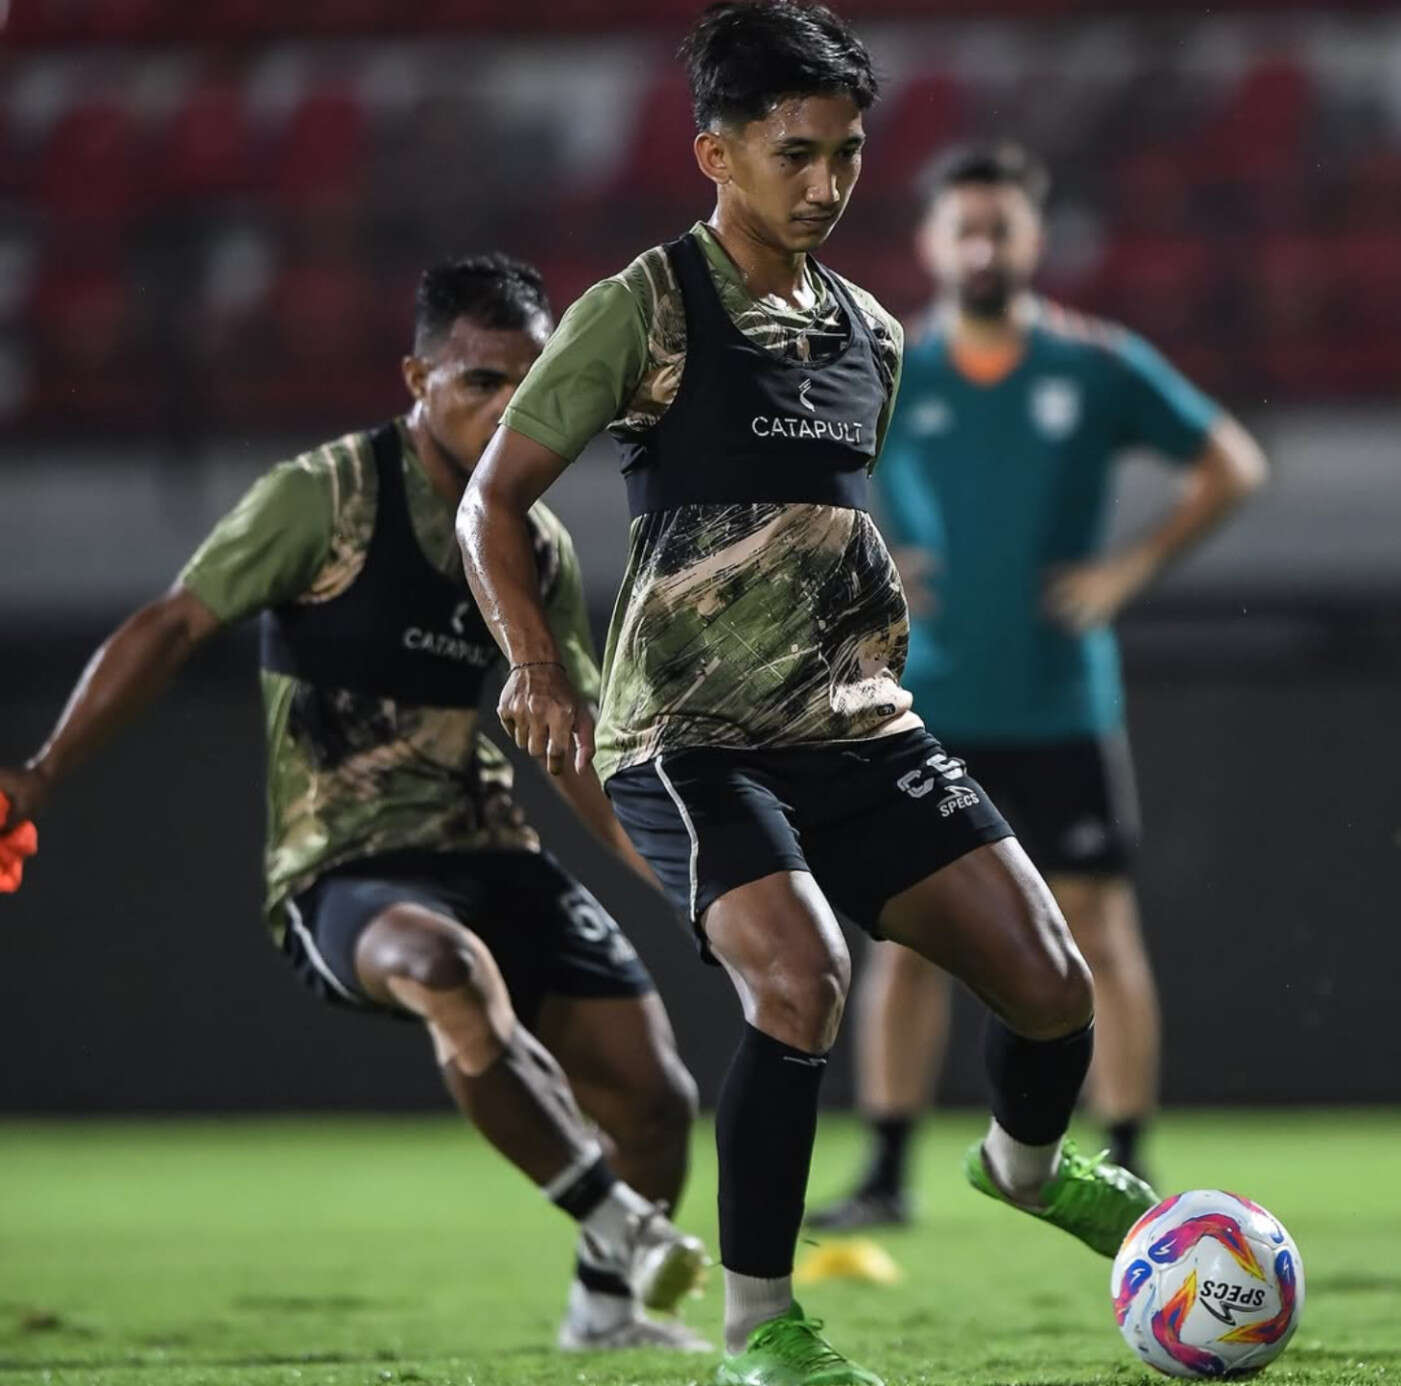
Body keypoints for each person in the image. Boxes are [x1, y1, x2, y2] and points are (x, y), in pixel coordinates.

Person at [456, 6, 1159, 1383]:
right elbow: (493, 501)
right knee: (804, 979)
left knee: (1052, 983)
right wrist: (538, 664)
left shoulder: (874, 333)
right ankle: (759, 1325)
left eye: (844, 155)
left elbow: (823, 522)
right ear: (714, 151)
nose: (826, 184)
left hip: (856, 725)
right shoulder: (640, 307)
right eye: (794, 155)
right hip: (689, 740)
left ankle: (1022, 1168)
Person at [0, 255, 711, 1353]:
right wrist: (39, 774)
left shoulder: (537, 544)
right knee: (447, 974)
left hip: (489, 847)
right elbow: (172, 627)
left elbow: (574, 744)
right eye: (481, 381)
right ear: (416, 376)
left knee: (658, 1101)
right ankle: (618, 1225)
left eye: (534, 384)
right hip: (346, 866)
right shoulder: (324, 496)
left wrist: (687, 886)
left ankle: (603, 1315)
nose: (512, 409)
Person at [809, 143, 1268, 1231]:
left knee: (1099, 930)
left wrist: (1130, 569)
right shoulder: (888, 364)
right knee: (911, 942)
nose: (982, 243)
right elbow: (794, 471)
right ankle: (885, 1175)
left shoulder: (1095, 365)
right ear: (928, 243)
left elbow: (1232, 463)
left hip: (1061, 698)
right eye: (963, 226)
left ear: (1033, 238)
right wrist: (857, 548)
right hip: (921, 703)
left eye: (1001, 225)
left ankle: (1126, 1156)